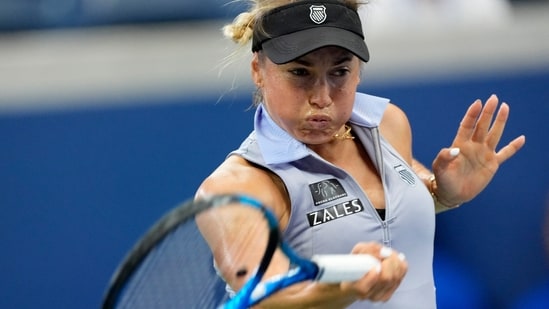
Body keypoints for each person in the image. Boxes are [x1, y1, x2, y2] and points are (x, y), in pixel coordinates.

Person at [195, 0, 526, 307]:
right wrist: (345, 286)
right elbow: (264, 291)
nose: (322, 97)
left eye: (339, 72)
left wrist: (443, 193)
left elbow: (382, 210)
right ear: (258, 70)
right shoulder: (236, 187)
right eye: (300, 73)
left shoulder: (388, 124)